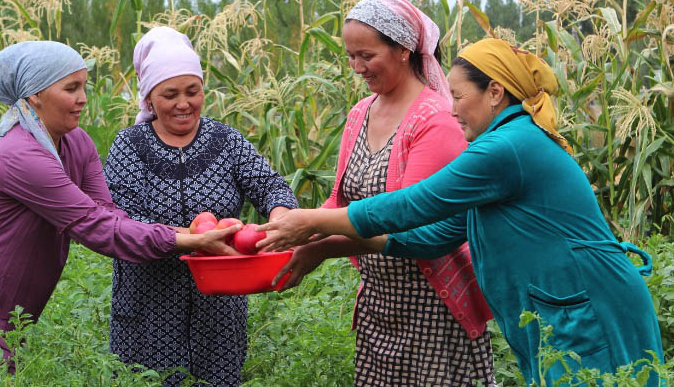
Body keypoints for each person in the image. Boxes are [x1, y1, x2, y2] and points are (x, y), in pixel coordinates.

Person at [258, 38, 665, 386]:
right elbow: (432, 235)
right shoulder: (502, 144)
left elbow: (412, 205)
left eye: (457, 96)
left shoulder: (508, 146)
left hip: (590, 305)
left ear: (494, 92)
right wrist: (326, 246)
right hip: (564, 306)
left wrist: (309, 220)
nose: (451, 110)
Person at [0, 41, 240, 387]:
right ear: (35, 95)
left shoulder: (77, 143)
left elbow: (108, 213)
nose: (83, 97)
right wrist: (185, 238)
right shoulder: (19, 156)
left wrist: (184, 234)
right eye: (71, 88)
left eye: (84, 86)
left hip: (9, 300)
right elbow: (93, 225)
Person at [267, 0, 495, 386]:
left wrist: (320, 242)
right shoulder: (360, 113)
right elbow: (339, 201)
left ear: (404, 49)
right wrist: (284, 236)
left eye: (367, 55)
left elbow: (411, 229)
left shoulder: (435, 120)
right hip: (379, 303)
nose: (357, 67)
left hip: (432, 305)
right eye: (351, 56)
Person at [103, 26, 298, 387]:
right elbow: (121, 219)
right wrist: (189, 238)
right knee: (150, 380)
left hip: (219, 306)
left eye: (193, 91)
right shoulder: (128, 146)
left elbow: (271, 185)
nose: (184, 103)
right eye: (170, 94)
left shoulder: (225, 141)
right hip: (148, 304)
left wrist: (280, 218)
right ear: (148, 99)